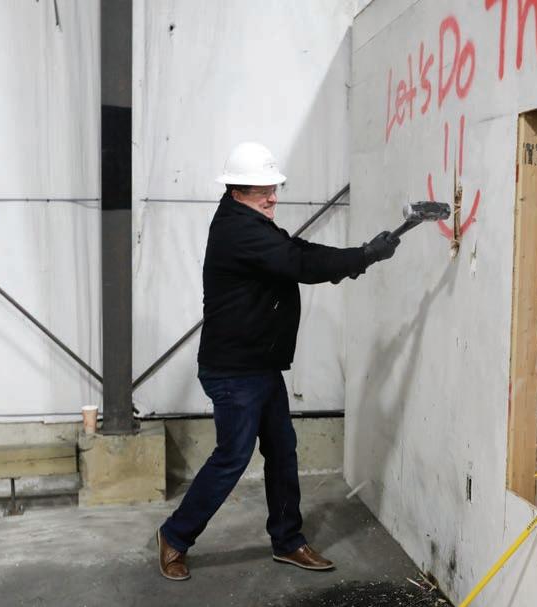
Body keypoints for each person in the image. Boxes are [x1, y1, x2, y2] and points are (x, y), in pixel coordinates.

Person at [157, 142, 400, 581]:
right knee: (233, 456)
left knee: (282, 450)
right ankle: (174, 536)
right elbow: (298, 263)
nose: (272, 198)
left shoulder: (251, 221)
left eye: (274, 189)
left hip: (260, 365)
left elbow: (297, 249)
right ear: (236, 192)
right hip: (233, 371)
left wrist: (357, 257)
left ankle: (287, 541)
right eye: (262, 191)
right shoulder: (239, 230)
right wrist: (363, 256)